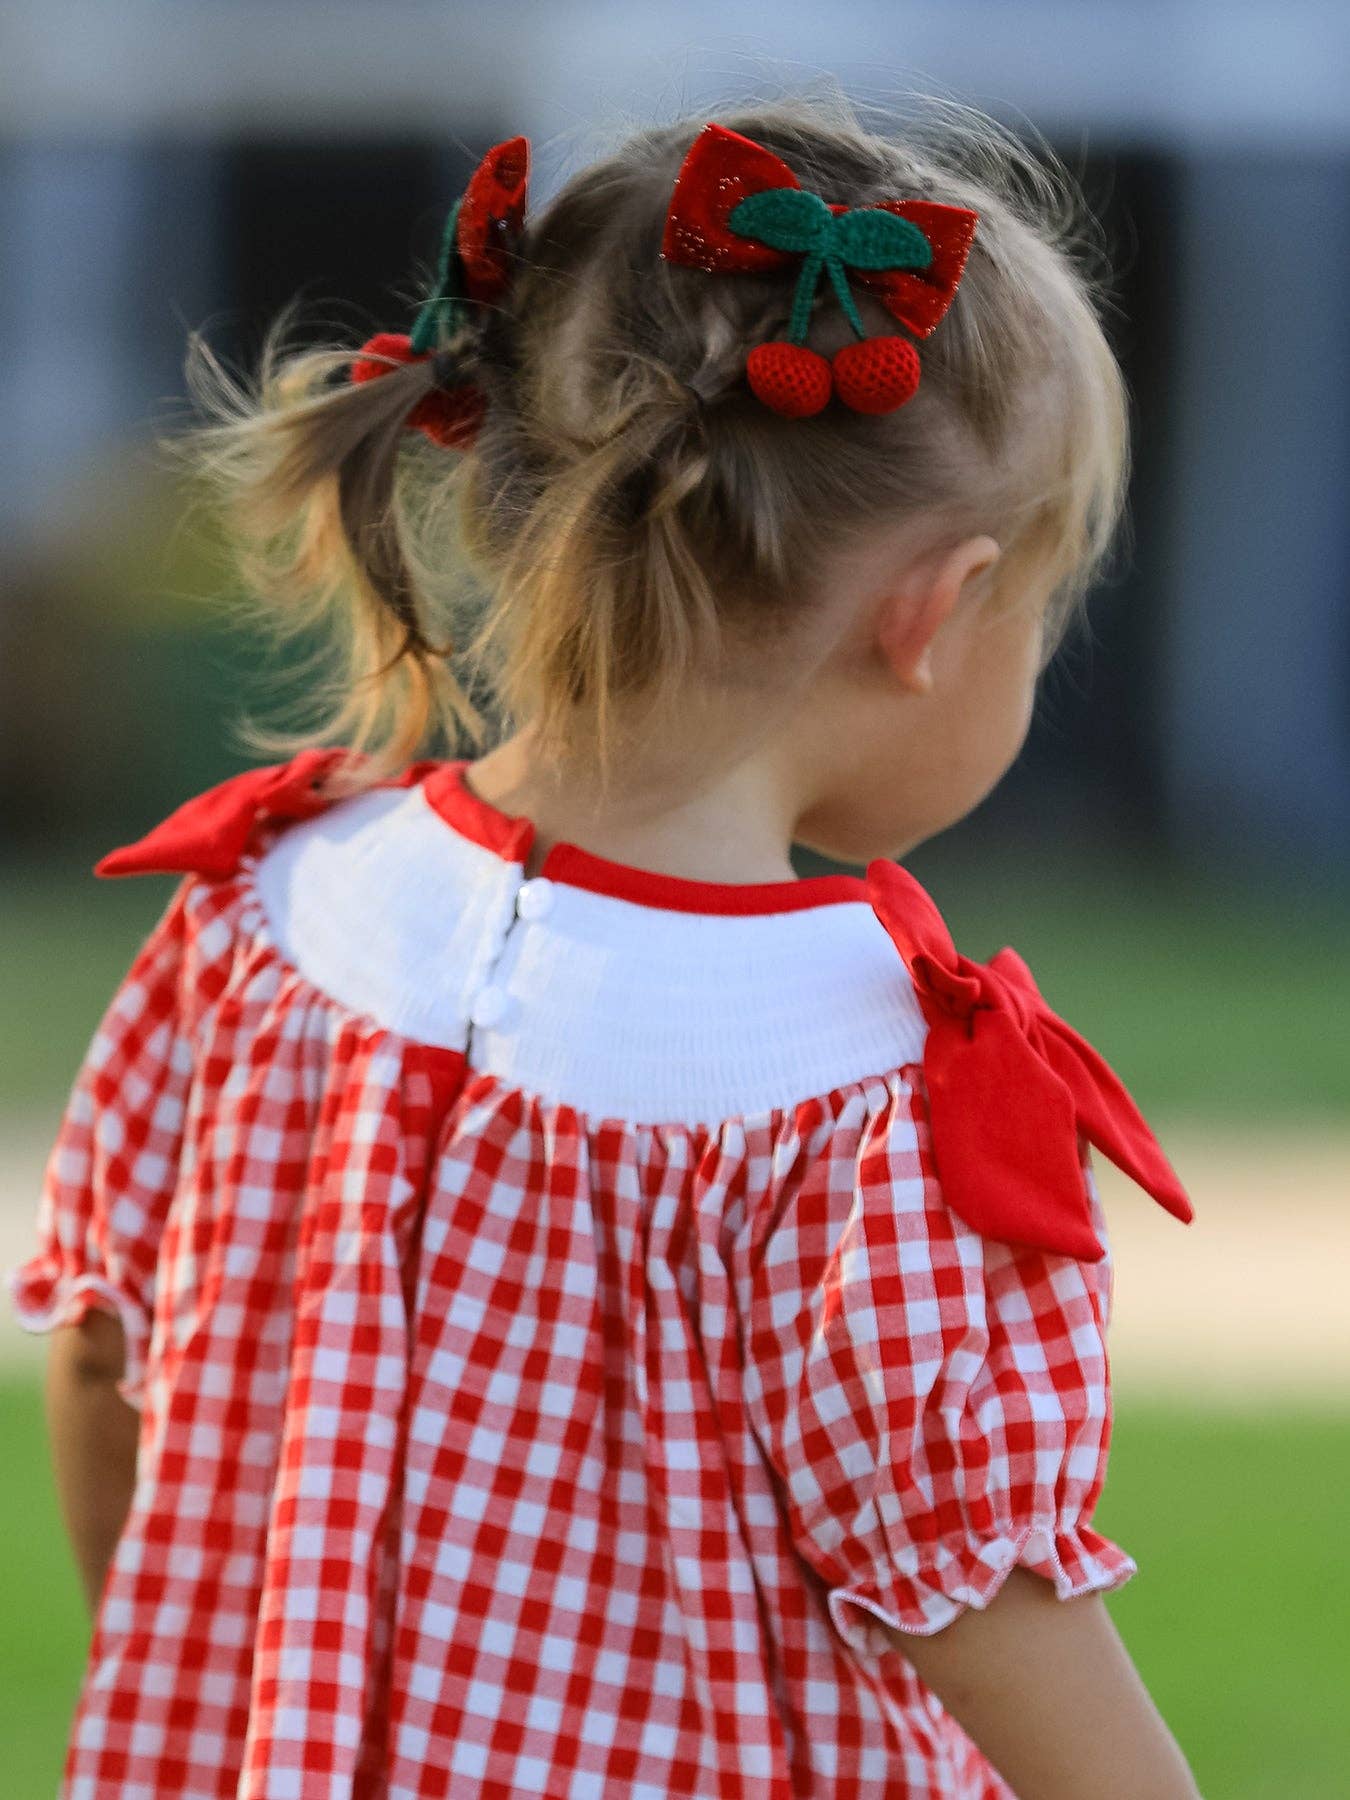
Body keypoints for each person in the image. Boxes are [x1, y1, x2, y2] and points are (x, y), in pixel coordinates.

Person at [7, 88, 1206, 1800]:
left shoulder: (265, 920)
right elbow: (982, 1595)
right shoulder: (860, 1097)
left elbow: (109, 1360)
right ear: (933, 614)